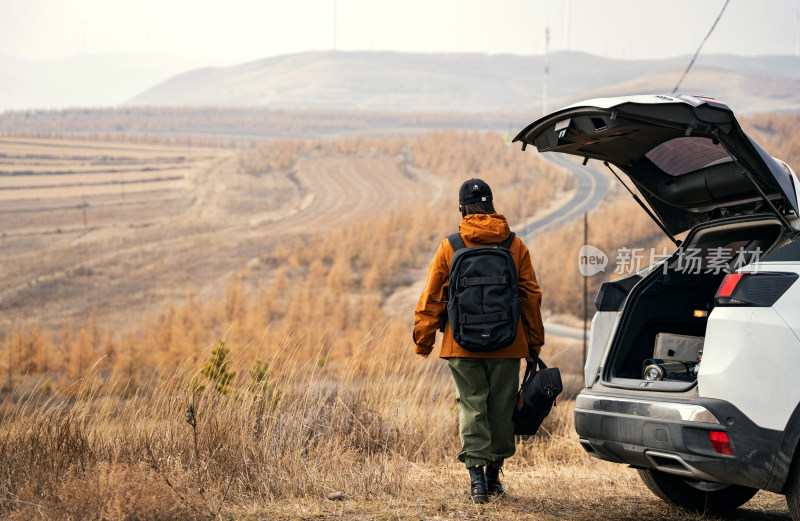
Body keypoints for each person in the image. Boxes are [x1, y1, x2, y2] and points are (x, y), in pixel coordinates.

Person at [413, 178, 545, 503]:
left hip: (461, 343)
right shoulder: (515, 245)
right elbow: (530, 297)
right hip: (508, 343)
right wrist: (533, 344)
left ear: (462, 208)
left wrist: (424, 340)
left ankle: (476, 485)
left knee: (472, 405)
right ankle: (493, 478)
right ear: (492, 206)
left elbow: (431, 296)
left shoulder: (451, 246)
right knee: (500, 409)